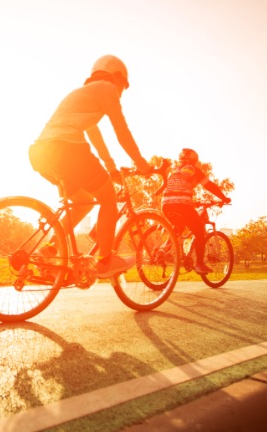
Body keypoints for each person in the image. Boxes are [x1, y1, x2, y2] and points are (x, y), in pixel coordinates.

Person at [28, 55, 152, 278]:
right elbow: (121, 131)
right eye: (124, 85)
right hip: (66, 148)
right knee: (109, 198)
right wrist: (141, 163)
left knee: (82, 203)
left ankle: (49, 250)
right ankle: (106, 261)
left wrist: (110, 167)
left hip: (43, 153)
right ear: (117, 76)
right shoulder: (107, 89)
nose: (123, 90)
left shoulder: (86, 95)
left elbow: (94, 135)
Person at [161, 148, 231, 275]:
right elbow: (209, 185)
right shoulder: (193, 170)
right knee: (199, 232)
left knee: (179, 228)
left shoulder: (173, 170)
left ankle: (163, 251)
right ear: (194, 160)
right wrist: (223, 197)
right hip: (182, 205)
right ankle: (199, 264)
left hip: (166, 204)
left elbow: (177, 189)